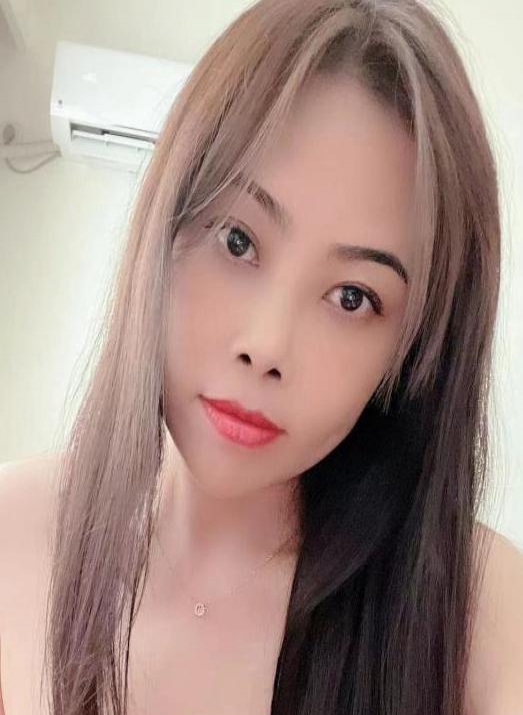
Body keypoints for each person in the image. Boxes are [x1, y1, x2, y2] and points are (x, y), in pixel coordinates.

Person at [1, 0, 522, 713]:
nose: (266, 345)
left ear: (409, 355)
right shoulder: (14, 538)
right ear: (166, 223)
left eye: (351, 297)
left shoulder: (480, 619)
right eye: (237, 240)